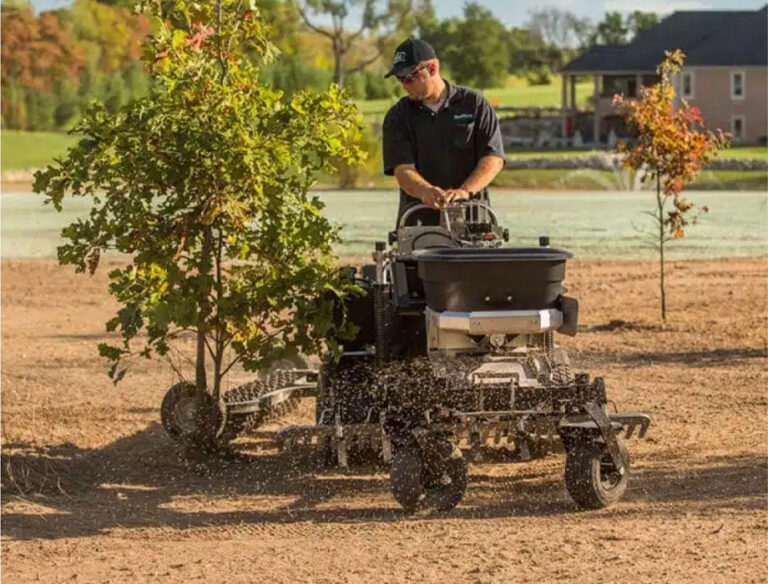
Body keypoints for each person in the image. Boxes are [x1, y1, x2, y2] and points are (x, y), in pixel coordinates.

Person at [382, 37, 506, 226]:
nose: (404, 85)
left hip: (474, 223)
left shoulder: (475, 104)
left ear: (432, 68)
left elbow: (493, 159)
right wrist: (425, 192)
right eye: (400, 78)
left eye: (409, 77)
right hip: (418, 225)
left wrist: (464, 192)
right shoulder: (398, 115)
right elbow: (402, 169)